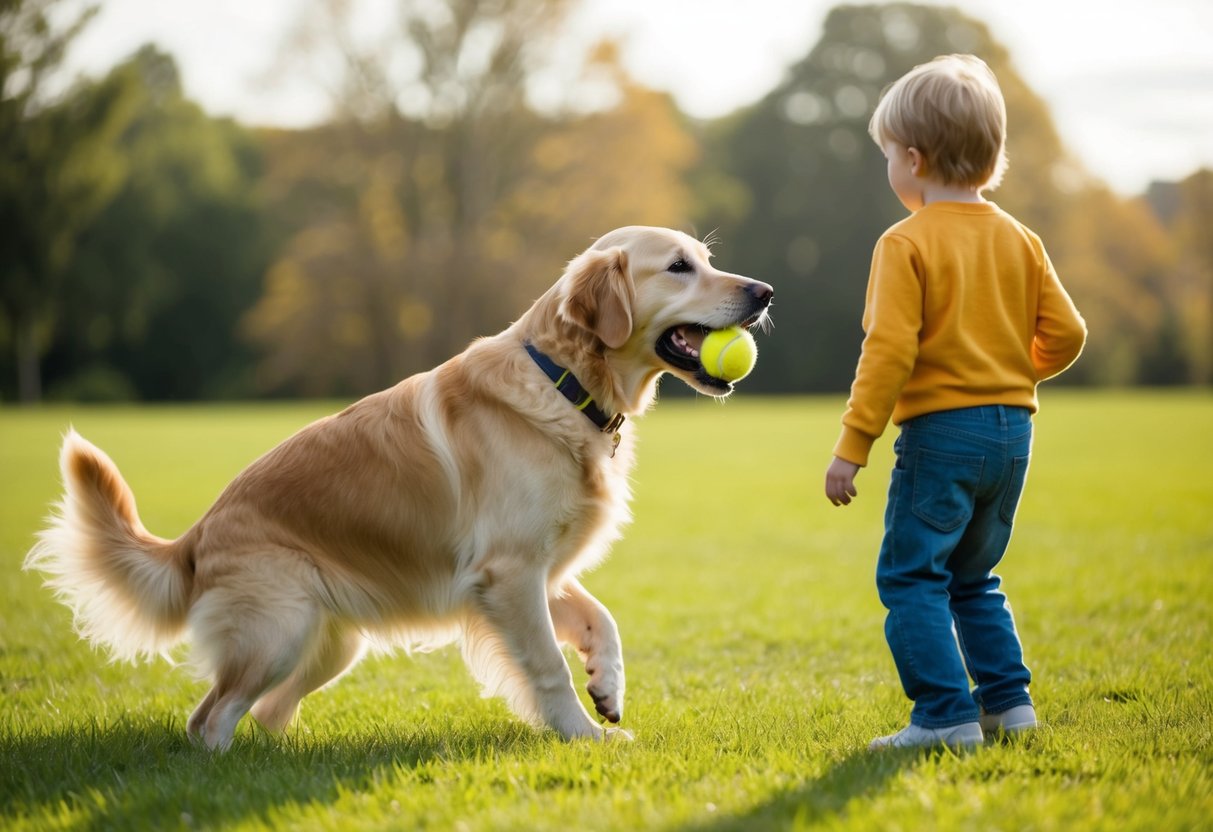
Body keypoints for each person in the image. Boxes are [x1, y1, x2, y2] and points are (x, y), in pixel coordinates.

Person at [824, 54, 1087, 750]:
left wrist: (852, 448)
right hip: (1012, 435)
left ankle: (943, 716)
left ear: (912, 158)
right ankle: (1009, 706)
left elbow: (887, 354)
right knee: (974, 575)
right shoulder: (1019, 238)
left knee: (911, 576)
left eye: (887, 154)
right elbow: (1066, 334)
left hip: (940, 435)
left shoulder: (904, 242)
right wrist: (1012, 374)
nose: (889, 167)